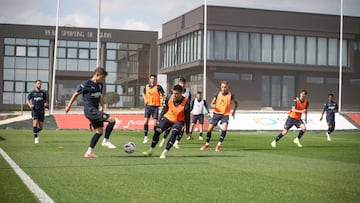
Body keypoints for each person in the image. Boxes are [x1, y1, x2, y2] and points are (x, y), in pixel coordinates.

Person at [65, 67, 119, 158]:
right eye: (102, 78)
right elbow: (76, 94)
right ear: (97, 75)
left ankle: (89, 152)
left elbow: (100, 96)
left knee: (99, 131)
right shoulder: (86, 84)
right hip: (90, 110)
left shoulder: (100, 85)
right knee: (112, 120)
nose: (103, 80)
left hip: (95, 110)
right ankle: (106, 141)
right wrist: (69, 105)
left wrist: (102, 106)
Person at [142, 84, 190, 159]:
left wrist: (187, 130)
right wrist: (160, 119)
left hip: (179, 121)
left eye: (177, 93)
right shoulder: (169, 97)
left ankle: (164, 153)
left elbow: (187, 117)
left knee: (174, 134)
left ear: (181, 93)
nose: (175, 95)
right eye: (174, 93)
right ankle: (151, 150)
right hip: (168, 117)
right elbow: (165, 109)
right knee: (157, 131)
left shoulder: (186, 102)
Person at [200, 81, 238, 152]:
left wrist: (233, 112)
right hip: (216, 114)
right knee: (209, 129)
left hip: (225, 115)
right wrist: (217, 106)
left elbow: (236, 104)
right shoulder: (217, 94)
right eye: (222, 87)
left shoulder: (231, 95)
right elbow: (212, 104)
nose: (223, 88)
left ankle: (218, 145)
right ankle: (207, 144)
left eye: (225, 87)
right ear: (221, 87)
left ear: (227, 87)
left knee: (224, 128)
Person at [159, 77, 191, 148]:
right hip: (172, 113)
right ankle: (163, 140)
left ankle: (176, 142)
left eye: (183, 83)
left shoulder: (188, 92)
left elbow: (189, 103)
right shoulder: (174, 92)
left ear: (185, 84)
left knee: (181, 128)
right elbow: (168, 103)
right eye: (181, 83)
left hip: (181, 114)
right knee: (168, 128)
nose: (182, 85)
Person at [142, 74, 165, 144]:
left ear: (156, 80)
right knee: (145, 121)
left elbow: (163, 94)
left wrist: (162, 101)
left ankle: (155, 137)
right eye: (152, 78)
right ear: (150, 79)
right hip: (148, 106)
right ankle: (145, 137)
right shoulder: (146, 86)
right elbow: (143, 93)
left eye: (154, 79)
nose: (153, 80)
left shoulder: (158, 87)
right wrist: (145, 99)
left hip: (155, 107)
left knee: (155, 123)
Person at [26, 80, 48, 144]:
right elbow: (27, 100)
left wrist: (45, 104)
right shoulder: (32, 93)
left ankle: (35, 132)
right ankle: (36, 138)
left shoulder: (43, 93)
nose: (39, 85)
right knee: (35, 124)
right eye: (38, 83)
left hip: (41, 111)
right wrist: (30, 105)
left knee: (41, 127)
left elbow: (45, 102)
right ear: (35, 84)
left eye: (40, 84)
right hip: (35, 111)